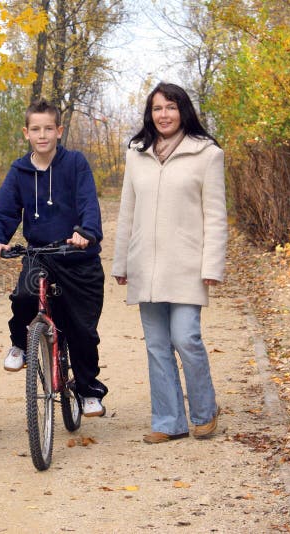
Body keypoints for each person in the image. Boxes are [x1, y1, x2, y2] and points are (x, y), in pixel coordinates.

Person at [111, 82, 227, 444]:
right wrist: (121, 262)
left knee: (186, 337)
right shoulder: (137, 152)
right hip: (145, 263)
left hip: (188, 265)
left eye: (171, 108)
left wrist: (212, 266)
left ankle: (205, 412)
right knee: (156, 344)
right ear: (150, 113)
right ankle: (168, 420)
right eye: (158, 108)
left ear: (184, 111)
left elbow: (216, 215)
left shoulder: (206, 154)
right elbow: (127, 209)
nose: (164, 115)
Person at [0, 98, 108, 417]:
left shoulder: (76, 163)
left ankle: (87, 390)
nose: (42, 135)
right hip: (41, 255)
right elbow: (3, 210)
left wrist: (86, 231)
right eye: (35, 129)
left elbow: (88, 202)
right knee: (24, 295)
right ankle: (22, 344)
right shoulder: (20, 170)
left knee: (82, 330)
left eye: (48, 129)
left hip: (78, 257)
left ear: (59, 131)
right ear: (26, 133)